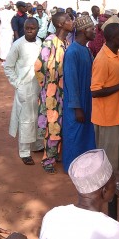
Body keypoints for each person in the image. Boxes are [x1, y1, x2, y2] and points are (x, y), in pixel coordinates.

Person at [91, 23, 119, 171]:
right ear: (112, 38)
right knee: (108, 161)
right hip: (106, 119)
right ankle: (107, 192)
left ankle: (116, 188)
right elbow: (95, 92)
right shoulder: (102, 59)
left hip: (117, 116)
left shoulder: (117, 53)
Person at [35, 12, 74, 173]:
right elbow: (39, 67)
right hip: (52, 92)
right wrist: (48, 85)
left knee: (63, 124)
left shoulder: (67, 42)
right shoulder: (50, 42)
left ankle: (58, 155)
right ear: (60, 24)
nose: (72, 22)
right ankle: (48, 160)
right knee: (53, 126)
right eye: (69, 20)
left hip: (65, 91)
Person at [4, 18, 43, 165]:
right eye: (27, 28)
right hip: (24, 87)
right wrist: (17, 84)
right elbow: (8, 66)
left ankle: (37, 145)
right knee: (26, 119)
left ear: (38, 29)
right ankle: (25, 151)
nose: (29, 30)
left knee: (38, 116)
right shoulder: (18, 44)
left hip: (39, 86)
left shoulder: (41, 43)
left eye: (33, 28)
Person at [62, 16, 97, 173]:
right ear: (84, 31)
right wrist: (77, 107)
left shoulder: (86, 50)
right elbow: (71, 81)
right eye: (92, 29)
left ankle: (84, 167)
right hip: (76, 103)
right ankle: (71, 168)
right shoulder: (72, 52)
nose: (95, 32)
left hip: (87, 100)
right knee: (74, 135)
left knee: (86, 135)